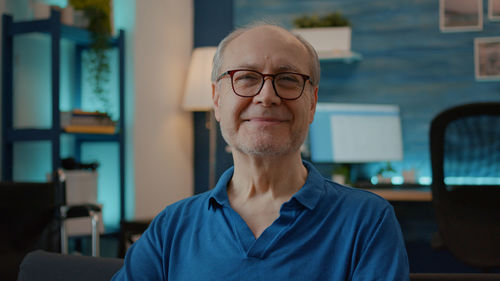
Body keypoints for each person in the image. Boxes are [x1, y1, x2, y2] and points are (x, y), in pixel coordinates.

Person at [112, 23, 409, 281]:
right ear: (216, 99)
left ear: (313, 103)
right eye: (246, 78)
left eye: (289, 79)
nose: (267, 96)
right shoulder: (172, 226)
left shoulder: (368, 221)